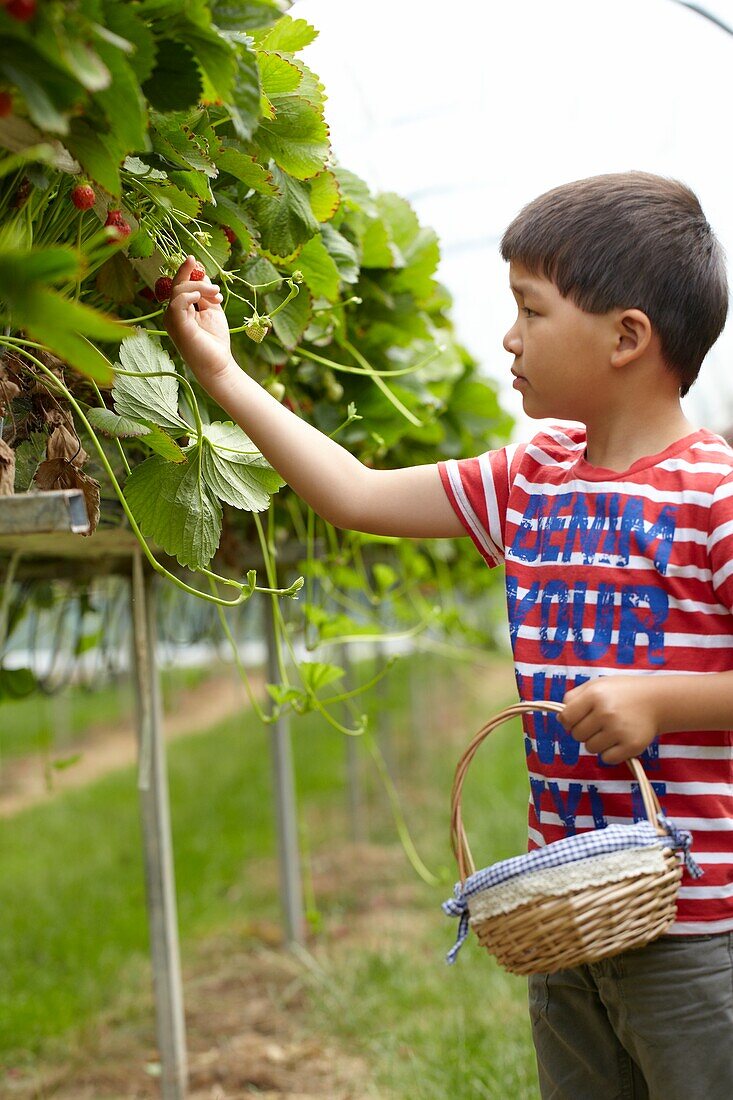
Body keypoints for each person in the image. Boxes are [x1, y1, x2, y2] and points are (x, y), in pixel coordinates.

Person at [164, 171, 733, 1099]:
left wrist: (664, 701)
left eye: (530, 311)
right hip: (560, 911)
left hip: (696, 927)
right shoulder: (532, 477)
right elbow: (353, 493)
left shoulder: (711, 496)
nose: (508, 337)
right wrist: (223, 376)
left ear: (627, 336)